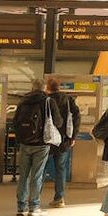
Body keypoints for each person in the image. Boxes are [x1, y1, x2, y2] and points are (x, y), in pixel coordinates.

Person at [13, 80, 62, 216]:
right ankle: (34, 207)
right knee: (36, 176)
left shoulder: (23, 101)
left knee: (23, 175)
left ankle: (21, 207)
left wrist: (21, 137)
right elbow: (58, 121)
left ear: (32, 88)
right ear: (44, 88)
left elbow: (15, 121)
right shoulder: (48, 101)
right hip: (41, 144)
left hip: (24, 143)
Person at [45, 77, 81, 208]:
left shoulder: (46, 100)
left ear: (47, 88)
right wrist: (73, 137)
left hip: (47, 139)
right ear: (59, 87)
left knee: (41, 169)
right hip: (65, 139)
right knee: (61, 169)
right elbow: (76, 118)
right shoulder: (68, 100)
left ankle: (34, 200)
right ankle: (59, 198)